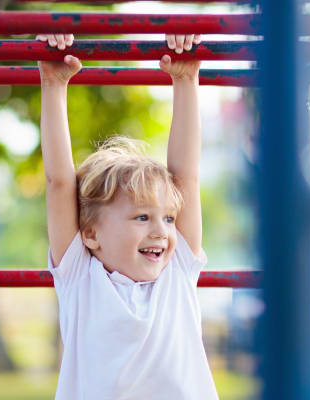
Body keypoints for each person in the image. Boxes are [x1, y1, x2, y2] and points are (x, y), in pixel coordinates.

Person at [37, 32, 219, 399]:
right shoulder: (80, 277)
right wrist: (54, 84)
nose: (161, 231)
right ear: (90, 234)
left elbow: (186, 176)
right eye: (141, 218)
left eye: (167, 218)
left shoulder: (177, 270)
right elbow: (59, 182)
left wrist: (185, 80)